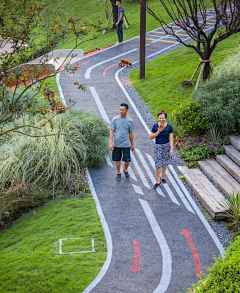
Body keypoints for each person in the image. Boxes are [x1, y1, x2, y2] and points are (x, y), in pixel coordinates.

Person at [110, 103, 134, 181]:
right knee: (118, 160)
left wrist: (132, 144)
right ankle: (118, 173)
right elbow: (112, 131)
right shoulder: (115, 119)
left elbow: (131, 133)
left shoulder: (130, 121)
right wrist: (111, 143)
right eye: (120, 109)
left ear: (126, 111)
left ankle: (125, 169)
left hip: (126, 144)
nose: (121, 111)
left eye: (122, 110)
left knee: (127, 160)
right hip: (117, 144)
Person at [150, 110, 174, 189]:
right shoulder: (155, 126)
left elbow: (171, 138)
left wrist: (171, 148)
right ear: (158, 118)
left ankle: (162, 177)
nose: (161, 120)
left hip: (166, 146)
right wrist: (158, 131)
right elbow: (151, 136)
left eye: (163, 118)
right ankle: (157, 181)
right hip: (158, 146)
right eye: (160, 118)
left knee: (165, 163)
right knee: (157, 165)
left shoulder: (169, 127)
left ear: (165, 118)